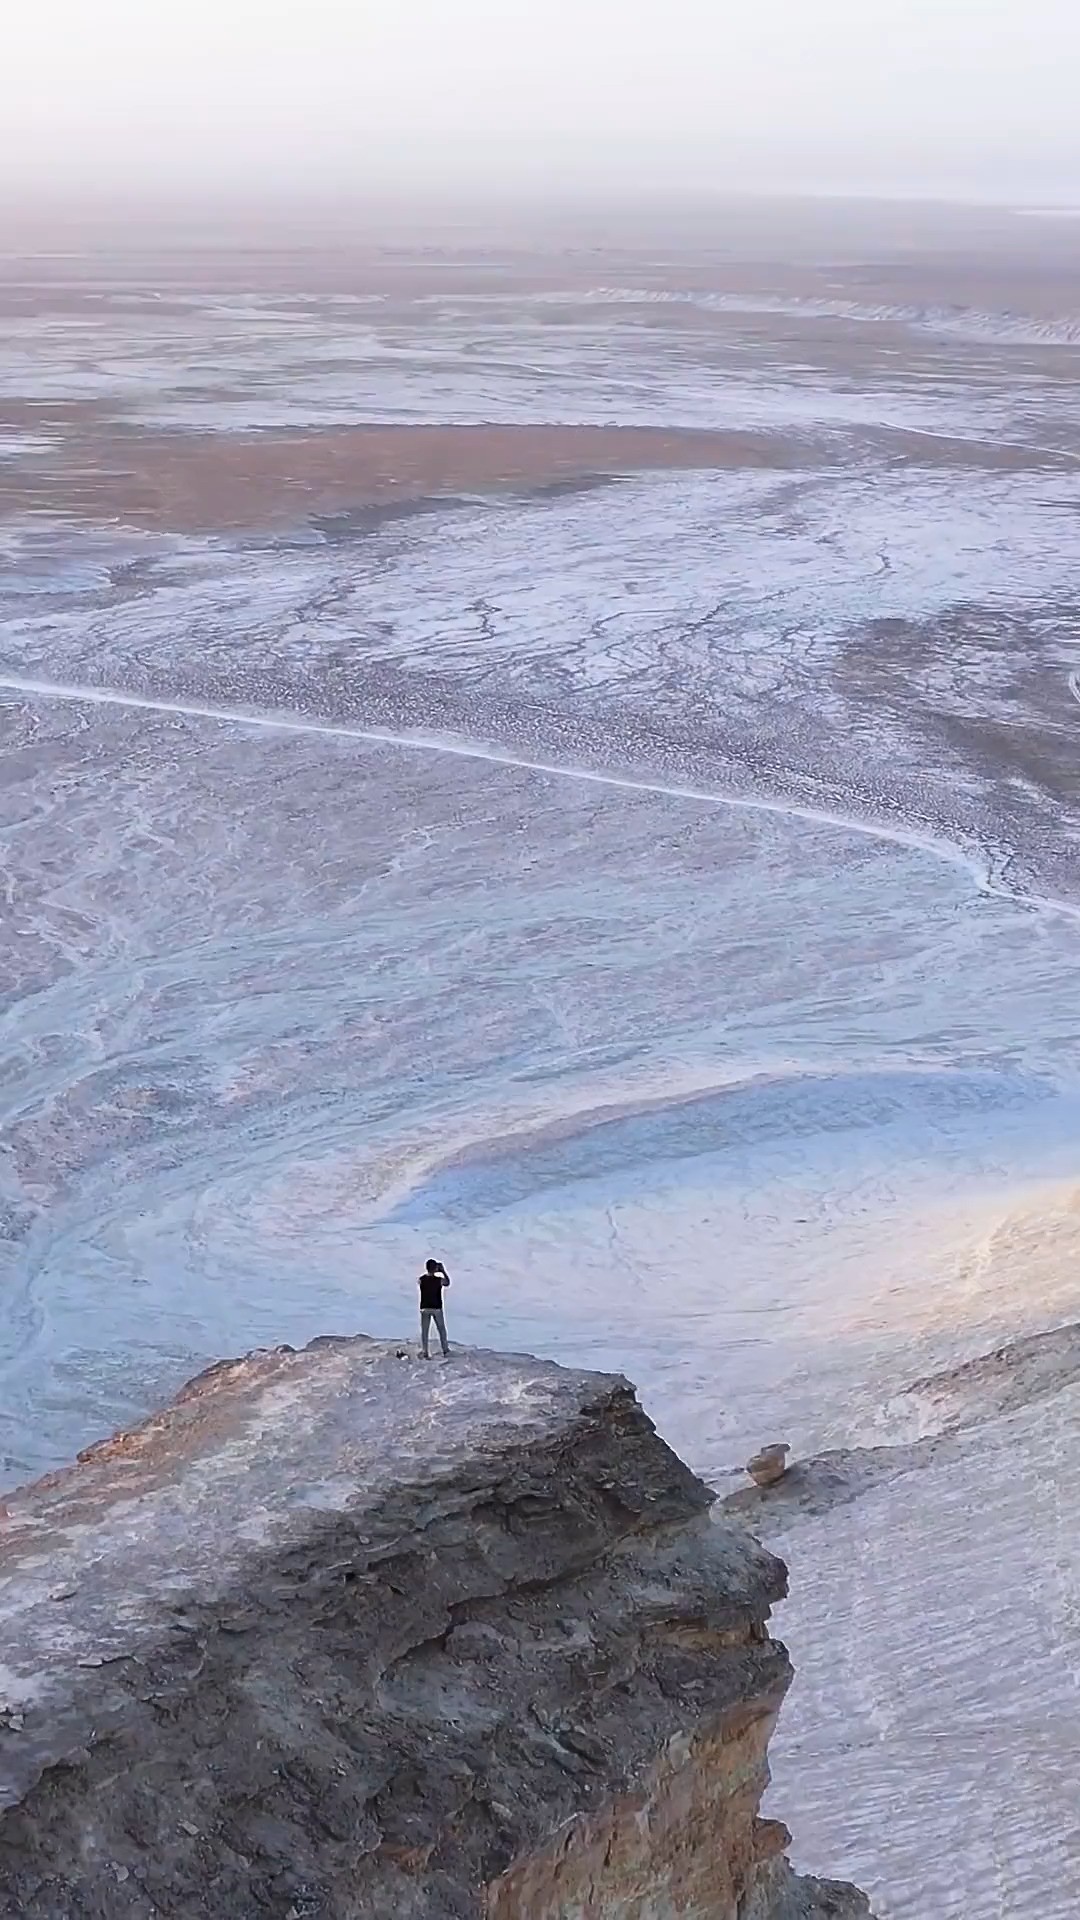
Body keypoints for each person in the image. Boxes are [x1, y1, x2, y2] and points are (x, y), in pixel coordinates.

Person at [418, 1257, 451, 1358]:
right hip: (436, 1307)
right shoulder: (438, 1280)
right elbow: (447, 1283)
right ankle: (445, 1350)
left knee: (425, 1331)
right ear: (435, 1268)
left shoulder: (421, 1279)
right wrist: (443, 1271)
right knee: (441, 1329)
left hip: (424, 1307)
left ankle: (425, 1351)